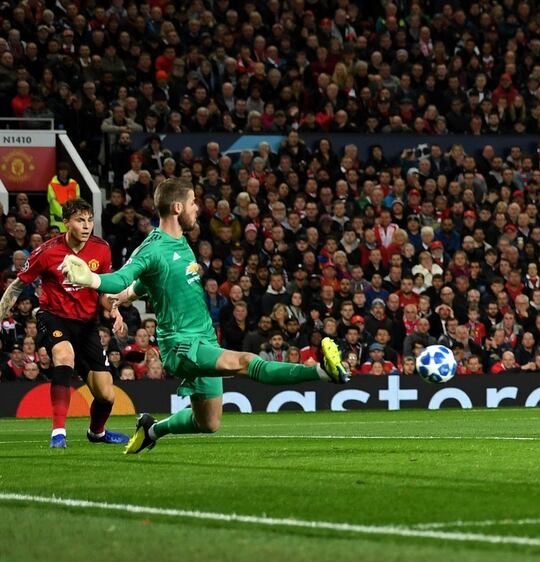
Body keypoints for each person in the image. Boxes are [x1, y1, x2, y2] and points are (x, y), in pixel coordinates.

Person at [59, 177, 350, 455]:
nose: (197, 207)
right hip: (181, 344)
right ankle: (322, 371)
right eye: (193, 202)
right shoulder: (153, 247)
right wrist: (92, 279)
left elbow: (142, 285)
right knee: (246, 362)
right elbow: (122, 278)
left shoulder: (181, 242)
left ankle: (151, 430)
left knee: (208, 422)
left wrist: (122, 300)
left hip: (204, 337)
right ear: (177, 208)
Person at [0, 198, 129, 448]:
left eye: (90, 220)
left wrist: (114, 309)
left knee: (106, 394)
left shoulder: (101, 249)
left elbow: (103, 291)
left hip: (87, 325)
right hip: (54, 316)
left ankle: (97, 433)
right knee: (63, 353)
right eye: (80, 220)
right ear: (66, 222)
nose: (86, 225)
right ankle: (58, 433)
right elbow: (17, 286)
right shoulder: (48, 251)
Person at [47, 163, 79, 232]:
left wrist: (70, 213)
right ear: (58, 171)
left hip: (70, 218)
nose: (63, 172)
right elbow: (52, 202)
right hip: (57, 219)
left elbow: (77, 201)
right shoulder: (52, 184)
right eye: (61, 170)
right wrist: (63, 213)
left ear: (68, 171)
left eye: (65, 170)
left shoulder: (74, 184)